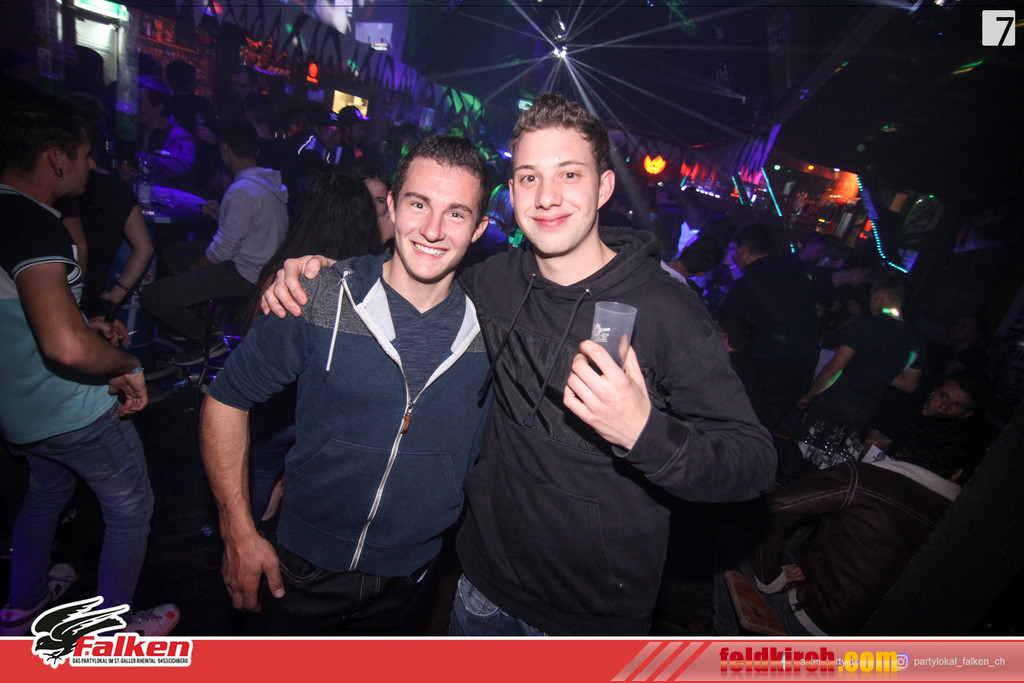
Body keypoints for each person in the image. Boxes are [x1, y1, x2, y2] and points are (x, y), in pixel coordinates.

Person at [262, 94, 776, 635]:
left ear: (603, 187)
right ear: (512, 192)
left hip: (590, 621)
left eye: (569, 174)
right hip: (482, 591)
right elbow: (413, 272)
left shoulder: (666, 311)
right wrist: (323, 272)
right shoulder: (492, 283)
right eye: (530, 178)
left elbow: (754, 461)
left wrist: (643, 432)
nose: (547, 197)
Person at [199, 135, 492, 635]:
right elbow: (226, 398)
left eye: (457, 213)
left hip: (412, 574)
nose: (433, 230)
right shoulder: (320, 294)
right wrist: (237, 530)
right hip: (302, 565)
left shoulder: (493, 325)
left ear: (480, 228)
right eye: (419, 204)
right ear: (392, 206)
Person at [0, 93, 177, 636]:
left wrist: (84, 325)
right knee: (130, 509)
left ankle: (23, 603)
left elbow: (25, 319)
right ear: (56, 159)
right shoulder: (35, 225)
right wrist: (124, 362)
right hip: (70, 409)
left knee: (46, 493)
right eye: (83, 154)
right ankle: (111, 633)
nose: (91, 163)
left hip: (19, 410)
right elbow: (66, 349)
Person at [239, 164, 385, 523]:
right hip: (322, 416)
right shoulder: (361, 278)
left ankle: (254, 530)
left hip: (279, 411)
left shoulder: (290, 269)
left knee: (261, 473)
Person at [743, 425, 970, 635]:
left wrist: (771, 578)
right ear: (957, 474)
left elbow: (773, 510)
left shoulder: (865, 478)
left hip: (813, 619)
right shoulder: (961, 527)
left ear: (904, 450)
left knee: (736, 541)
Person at [140, 122, 289, 366]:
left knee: (152, 296)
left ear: (225, 149)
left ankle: (207, 337)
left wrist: (198, 267)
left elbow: (223, 249)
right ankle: (191, 321)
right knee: (175, 253)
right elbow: (253, 226)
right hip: (262, 265)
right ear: (256, 151)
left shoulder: (241, 190)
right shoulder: (267, 184)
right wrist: (223, 214)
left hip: (246, 273)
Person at [55, 93, 154, 320]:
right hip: (88, 300)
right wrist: (114, 297)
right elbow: (145, 247)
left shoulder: (61, 187)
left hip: (61, 303)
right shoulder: (117, 187)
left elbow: (80, 249)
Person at [716, 223, 820, 431]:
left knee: (736, 432)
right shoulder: (795, 274)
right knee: (760, 435)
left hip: (762, 374)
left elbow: (730, 330)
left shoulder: (751, 281)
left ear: (742, 250)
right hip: (799, 373)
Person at [796, 271, 925, 434]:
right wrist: (883, 366)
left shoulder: (864, 325)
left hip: (834, 399)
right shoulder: (915, 340)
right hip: (864, 410)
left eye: (871, 296)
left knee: (807, 444)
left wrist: (809, 395)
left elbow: (834, 369)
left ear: (879, 295)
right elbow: (909, 385)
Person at [135, 75, 196, 191]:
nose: (137, 107)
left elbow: (181, 169)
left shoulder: (180, 137)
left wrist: (143, 158)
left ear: (159, 106)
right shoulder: (135, 131)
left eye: (141, 102)